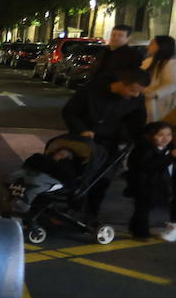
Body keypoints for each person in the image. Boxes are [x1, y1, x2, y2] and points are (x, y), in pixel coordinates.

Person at [62, 67, 149, 219]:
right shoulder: (90, 90)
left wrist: (132, 137)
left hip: (111, 142)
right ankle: (72, 206)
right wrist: (82, 129)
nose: (135, 95)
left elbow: (137, 120)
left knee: (103, 179)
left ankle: (92, 213)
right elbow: (69, 112)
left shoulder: (136, 99)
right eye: (132, 90)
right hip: (85, 140)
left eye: (138, 92)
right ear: (122, 83)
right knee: (79, 174)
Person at [123, 121, 176, 240]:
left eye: (168, 134)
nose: (165, 138)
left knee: (144, 208)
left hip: (158, 184)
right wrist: (170, 157)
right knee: (142, 209)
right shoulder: (144, 150)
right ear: (150, 136)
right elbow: (150, 166)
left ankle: (136, 228)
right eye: (160, 135)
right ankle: (140, 232)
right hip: (144, 184)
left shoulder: (166, 149)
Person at [140, 35, 176, 123]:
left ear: (162, 46)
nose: (147, 46)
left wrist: (154, 94)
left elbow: (171, 84)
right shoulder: (149, 61)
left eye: (152, 44)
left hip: (159, 105)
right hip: (145, 102)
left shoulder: (170, 63)